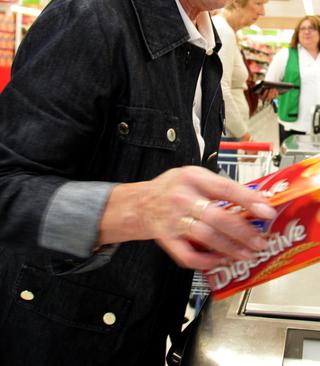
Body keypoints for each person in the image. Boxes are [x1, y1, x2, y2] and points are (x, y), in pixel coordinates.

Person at [0, 0, 277, 365]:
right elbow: (8, 187)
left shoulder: (205, 50)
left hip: (139, 334)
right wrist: (137, 208)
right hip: (57, 339)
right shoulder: (91, 16)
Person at [264, 15, 320, 144]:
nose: (306, 31)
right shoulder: (286, 55)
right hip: (295, 123)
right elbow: (269, 83)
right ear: (297, 33)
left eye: (312, 28)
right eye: (302, 28)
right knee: (294, 161)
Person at [211, 0, 267, 143]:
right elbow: (219, 88)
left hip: (227, 130)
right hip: (225, 133)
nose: (262, 12)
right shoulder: (224, 31)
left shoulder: (227, 30)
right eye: (258, 3)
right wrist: (243, 135)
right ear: (236, 2)